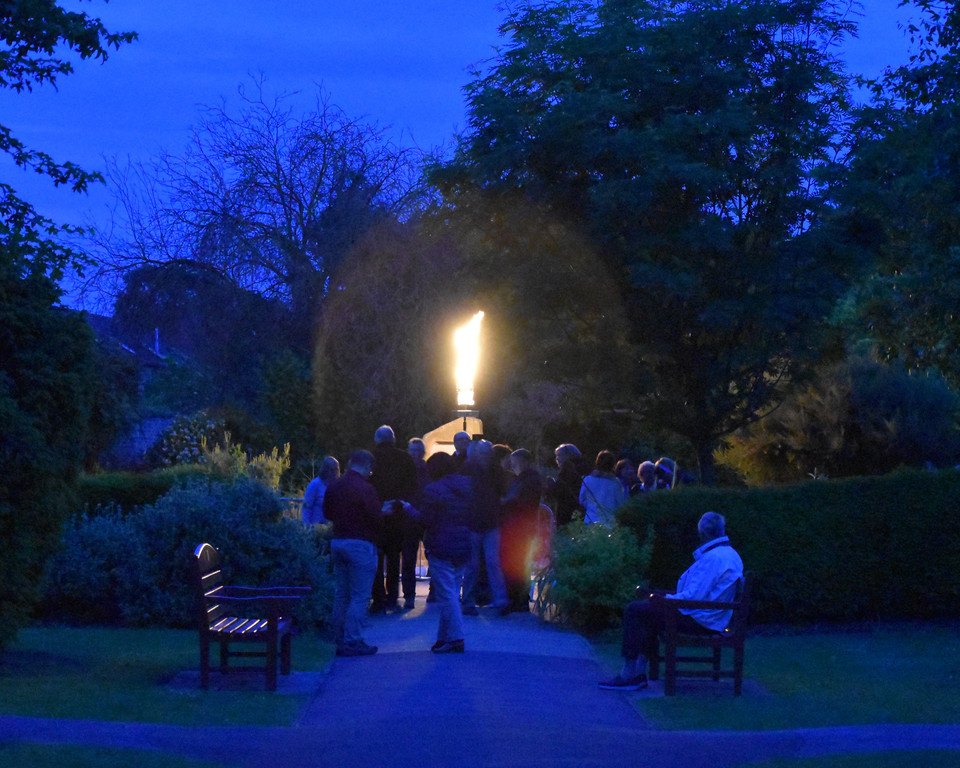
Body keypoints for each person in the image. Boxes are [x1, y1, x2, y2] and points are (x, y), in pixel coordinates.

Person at [599, 511, 744, 690]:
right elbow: (699, 594)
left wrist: (664, 599)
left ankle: (629, 673)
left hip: (701, 619)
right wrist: (661, 598)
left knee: (634, 610)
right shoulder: (728, 554)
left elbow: (693, 597)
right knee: (648, 612)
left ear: (703, 533)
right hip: (709, 616)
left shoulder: (714, 558)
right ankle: (637, 673)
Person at [396, 452, 474, 653]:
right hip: (463, 545)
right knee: (452, 592)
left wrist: (409, 510)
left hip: (441, 546)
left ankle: (456, 638)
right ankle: (443, 638)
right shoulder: (468, 486)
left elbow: (426, 520)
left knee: (446, 594)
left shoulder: (433, 489)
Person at [322, 450, 383, 657]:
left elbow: (327, 513)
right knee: (360, 595)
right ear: (367, 466)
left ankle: (338, 636)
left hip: (338, 542)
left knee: (341, 593)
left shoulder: (335, 486)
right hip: (360, 544)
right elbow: (375, 517)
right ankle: (353, 639)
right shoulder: (366, 488)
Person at [369, 425, 419, 613]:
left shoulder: (372, 458)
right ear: (393, 439)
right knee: (393, 559)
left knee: (377, 559)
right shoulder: (405, 458)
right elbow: (413, 486)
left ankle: (378, 599)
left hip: (377, 514)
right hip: (399, 515)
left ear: (377, 440)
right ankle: (392, 597)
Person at [460, 439, 509, 616]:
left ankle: (473, 600)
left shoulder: (473, 470)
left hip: (483, 522)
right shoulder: (491, 471)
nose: (485, 457)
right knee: (483, 564)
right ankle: (495, 600)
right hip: (480, 522)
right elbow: (502, 493)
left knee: (485, 563)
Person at [500, 448, 543, 613]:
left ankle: (518, 599)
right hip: (522, 526)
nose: (513, 466)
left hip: (521, 527)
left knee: (518, 563)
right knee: (520, 563)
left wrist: (506, 502)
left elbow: (524, 502)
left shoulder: (528, 480)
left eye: (515, 462)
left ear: (524, 462)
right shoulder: (526, 479)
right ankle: (519, 598)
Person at [579, 450, 627, 528]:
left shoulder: (588, 479)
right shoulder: (616, 483)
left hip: (590, 521)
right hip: (609, 523)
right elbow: (620, 504)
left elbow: (582, 500)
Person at [547, 443, 585, 528]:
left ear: (569, 456)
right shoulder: (582, 469)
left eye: (560, 455)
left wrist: (551, 484)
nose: (557, 458)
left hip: (567, 512)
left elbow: (560, 493)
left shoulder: (567, 470)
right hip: (580, 511)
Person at [301, 456, 340, 525]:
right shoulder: (314, 485)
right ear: (325, 469)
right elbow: (306, 508)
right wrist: (307, 527)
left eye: (336, 469)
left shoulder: (337, 486)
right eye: (332, 469)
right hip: (316, 527)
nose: (335, 472)